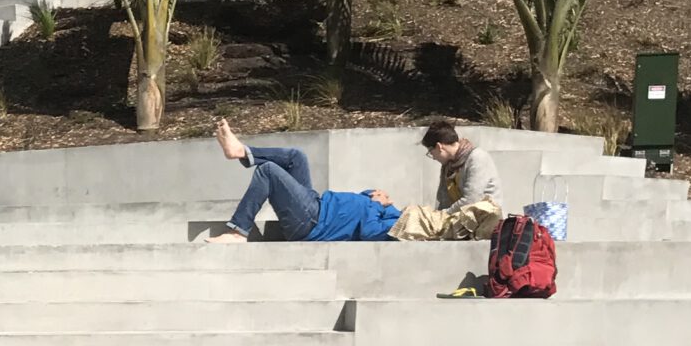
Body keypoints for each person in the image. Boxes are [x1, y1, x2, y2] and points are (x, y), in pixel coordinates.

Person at [202, 117, 402, 244]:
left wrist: (375, 204)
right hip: (316, 205)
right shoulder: (392, 210)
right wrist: (373, 196)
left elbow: (370, 232)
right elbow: (362, 202)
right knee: (296, 157)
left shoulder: (396, 225)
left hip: (313, 223)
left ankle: (238, 231)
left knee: (268, 171)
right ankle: (242, 152)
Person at [389, 120, 502, 241]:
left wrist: (442, 216)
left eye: (431, 152)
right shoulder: (447, 167)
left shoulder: (477, 157)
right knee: (413, 214)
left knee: (420, 217)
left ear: (439, 147)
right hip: (458, 219)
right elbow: (443, 200)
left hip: (483, 219)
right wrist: (437, 219)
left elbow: (472, 199)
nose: (433, 157)